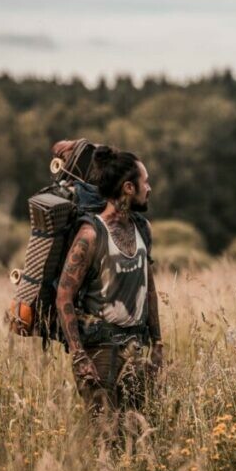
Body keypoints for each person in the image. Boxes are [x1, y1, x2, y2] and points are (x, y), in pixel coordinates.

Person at [56, 145, 163, 427]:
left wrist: (158, 343)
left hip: (136, 350)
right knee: (106, 441)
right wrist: (79, 356)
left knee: (137, 437)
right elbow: (64, 295)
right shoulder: (90, 234)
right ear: (129, 188)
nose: (149, 188)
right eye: (145, 182)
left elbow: (149, 289)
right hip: (99, 354)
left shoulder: (143, 229)